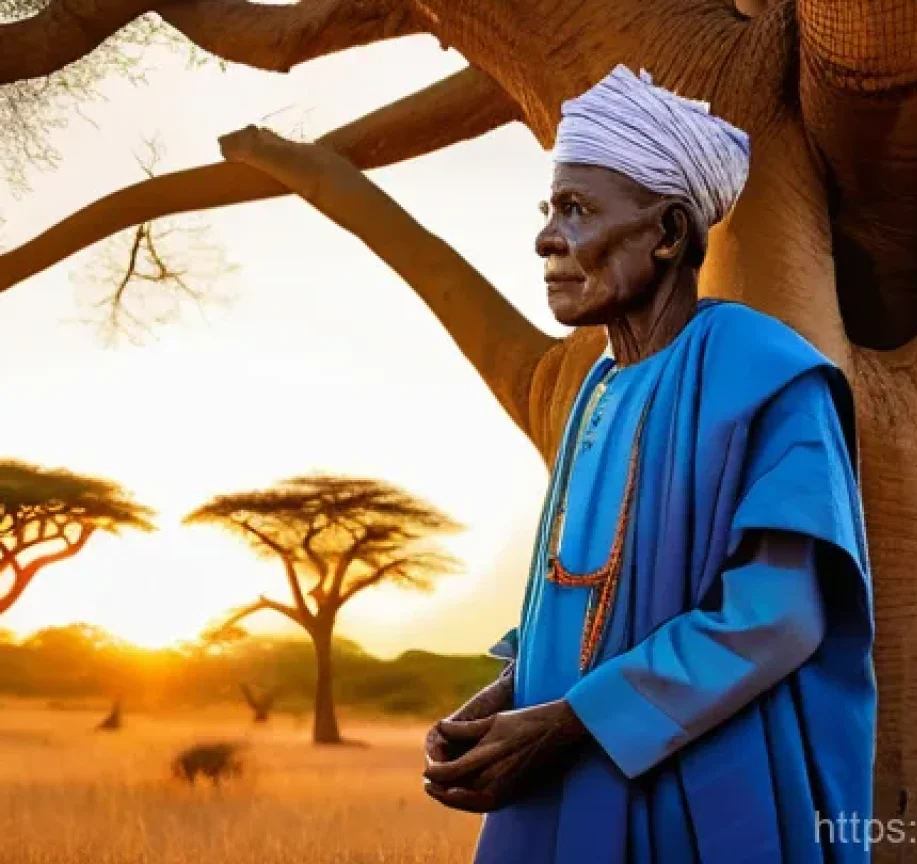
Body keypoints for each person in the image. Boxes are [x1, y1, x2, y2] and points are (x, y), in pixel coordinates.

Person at [219, 65, 875, 863]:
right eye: (548, 209)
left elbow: (778, 615)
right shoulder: (601, 384)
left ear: (668, 233)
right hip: (570, 768)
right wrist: (512, 693)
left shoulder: (768, 374)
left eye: (576, 210)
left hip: (701, 789)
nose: (545, 238)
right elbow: (585, 590)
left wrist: (573, 721)